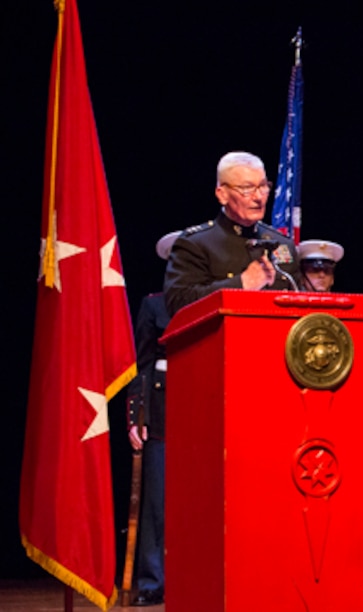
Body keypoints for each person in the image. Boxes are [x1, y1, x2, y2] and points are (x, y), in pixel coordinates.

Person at [163, 151, 301, 315]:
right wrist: (241, 284)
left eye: (263, 186)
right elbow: (177, 303)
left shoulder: (283, 243)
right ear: (222, 195)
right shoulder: (195, 243)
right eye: (247, 188)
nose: (259, 197)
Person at [125, 230, 181, 606]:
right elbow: (142, 363)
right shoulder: (155, 305)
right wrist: (136, 413)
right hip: (162, 411)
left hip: (208, 405)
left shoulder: (212, 300)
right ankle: (151, 581)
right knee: (157, 502)